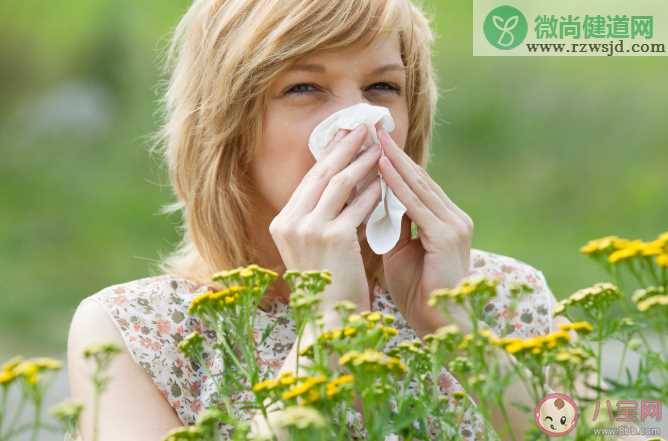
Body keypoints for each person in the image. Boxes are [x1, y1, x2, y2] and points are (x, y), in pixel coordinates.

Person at [67, 0, 566, 439]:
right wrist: (328, 328)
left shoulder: (504, 295)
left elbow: (588, 429)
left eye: (382, 86)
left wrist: (461, 333)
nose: (360, 119)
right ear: (228, 126)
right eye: (304, 86)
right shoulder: (136, 331)